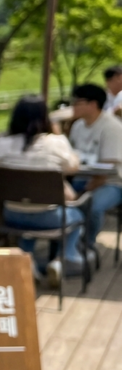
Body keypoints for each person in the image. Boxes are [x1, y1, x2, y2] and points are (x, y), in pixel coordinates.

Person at [0, 96, 83, 285]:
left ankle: (28, 260)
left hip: (11, 215)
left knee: (28, 224)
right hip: (48, 217)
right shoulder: (55, 142)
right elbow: (73, 167)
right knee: (78, 214)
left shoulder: (3, 144)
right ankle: (61, 260)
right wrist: (60, 137)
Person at [69, 84, 122, 254]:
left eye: (77, 102)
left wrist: (82, 193)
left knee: (93, 206)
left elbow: (106, 171)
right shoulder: (77, 126)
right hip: (81, 178)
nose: (73, 106)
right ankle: (66, 247)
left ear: (93, 104)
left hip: (112, 182)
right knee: (57, 201)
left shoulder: (112, 127)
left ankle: (86, 246)